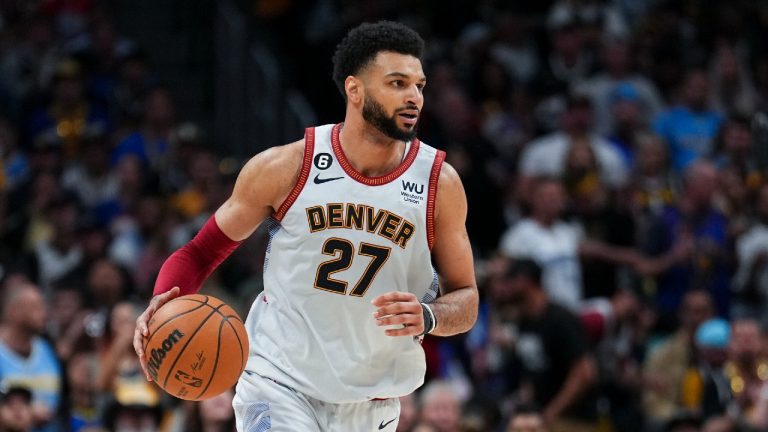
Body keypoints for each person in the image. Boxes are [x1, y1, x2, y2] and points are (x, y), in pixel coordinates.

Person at [133, 21, 479, 431]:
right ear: (355, 90)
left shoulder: (440, 183)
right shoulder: (287, 167)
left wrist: (429, 315)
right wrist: (161, 301)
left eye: (419, 86)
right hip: (279, 383)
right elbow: (200, 252)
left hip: (372, 402)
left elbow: (467, 298)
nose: (413, 98)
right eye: (397, 83)